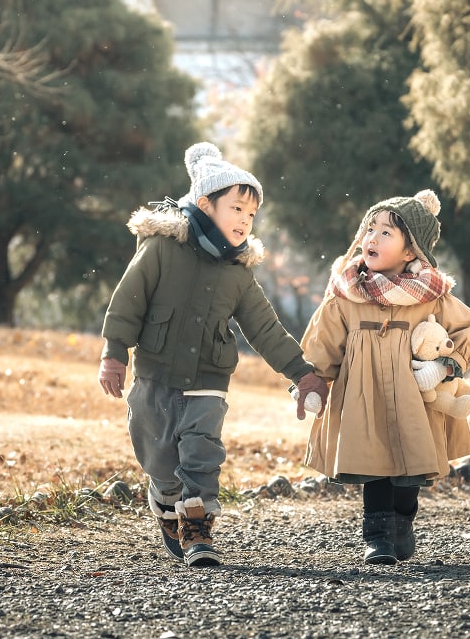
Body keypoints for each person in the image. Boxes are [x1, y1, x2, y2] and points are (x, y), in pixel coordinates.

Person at [98, 142, 328, 567]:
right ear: (205, 204)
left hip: (209, 378)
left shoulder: (238, 272)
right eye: (236, 208)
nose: (244, 220)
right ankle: (165, 496)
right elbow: (128, 299)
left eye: (251, 214)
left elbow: (264, 328)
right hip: (155, 374)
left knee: (202, 454)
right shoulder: (161, 249)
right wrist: (114, 352)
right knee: (158, 456)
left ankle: (198, 530)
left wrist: (302, 373)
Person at [299, 189, 470, 565]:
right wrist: (312, 379)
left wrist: (444, 365)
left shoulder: (431, 296)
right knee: (374, 466)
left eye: (386, 233)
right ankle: (377, 536)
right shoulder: (347, 295)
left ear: (411, 250)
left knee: (411, 470)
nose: (373, 238)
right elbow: (324, 341)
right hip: (364, 398)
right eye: (370, 229)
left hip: (414, 398)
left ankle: (402, 520)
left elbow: (466, 328)